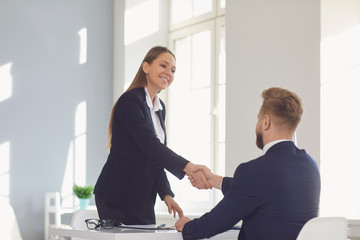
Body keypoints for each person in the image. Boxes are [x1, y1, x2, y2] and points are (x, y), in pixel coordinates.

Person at [175, 87, 321, 240]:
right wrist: (213, 179)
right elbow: (266, 190)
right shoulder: (311, 166)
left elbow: (215, 222)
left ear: (266, 122)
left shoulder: (254, 171)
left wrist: (188, 226)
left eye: (258, 118)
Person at [93, 46, 211, 225]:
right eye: (163, 66)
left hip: (142, 199)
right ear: (146, 67)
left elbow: (156, 156)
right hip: (117, 195)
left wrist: (166, 194)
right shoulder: (130, 101)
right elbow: (150, 145)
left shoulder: (159, 108)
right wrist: (189, 167)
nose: (169, 73)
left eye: (173, 70)